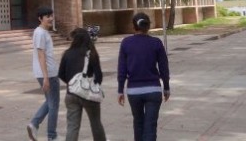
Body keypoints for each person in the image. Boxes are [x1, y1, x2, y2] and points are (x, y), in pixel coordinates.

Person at [117, 12, 170, 141]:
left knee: (138, 123)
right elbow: (164, 68)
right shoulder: (156, 43)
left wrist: (120, 90)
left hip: (134, 91)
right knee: (150, 126)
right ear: (148, 26)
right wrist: (166, 88)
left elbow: (122, 69)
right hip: (153, 90)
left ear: (133, 26)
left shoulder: (126, 43)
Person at [58, 28, 106, 141]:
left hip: (71, 94)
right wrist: (93, 85)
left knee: (72, 126)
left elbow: (61, 74)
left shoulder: (67, 53)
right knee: (96, 123)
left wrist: (73, 84)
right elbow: (99, 76)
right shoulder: (92, 53)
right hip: (88, 94)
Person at [27, 6, 59, 141]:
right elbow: (41, 55)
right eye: (47, 16)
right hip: (48, 74)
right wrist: (46, 77)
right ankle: (51, 136)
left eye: (51, 15)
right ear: (40, 19)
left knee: (50, 102)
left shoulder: (43, 32)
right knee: (54, 104)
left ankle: (34, 124)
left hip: (48, 72)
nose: (50, 18)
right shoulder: (40, 33)